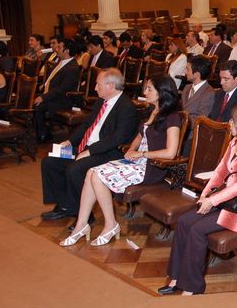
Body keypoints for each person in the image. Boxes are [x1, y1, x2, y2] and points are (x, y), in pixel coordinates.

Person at [159, 103, 237, 296]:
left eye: (233, 121)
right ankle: (176, 277)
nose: (229, 123)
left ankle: (192, 286)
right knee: (184, 221)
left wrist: (212, 201)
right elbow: (220, 172)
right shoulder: (235, 143)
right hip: (224, 200)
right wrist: (205, 195)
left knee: (197, 229)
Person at [59, 74, 181, 247]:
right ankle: (82, 224)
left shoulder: (172, 117)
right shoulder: (151, 110)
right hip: (138, 162)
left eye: (149, 89)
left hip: (152, 167)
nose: (145, 92)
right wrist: (132, 149)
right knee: (91, 172)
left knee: (97, 176)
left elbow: (171, 153)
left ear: (162, 92)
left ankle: (110, 224)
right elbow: (140, 135)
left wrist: (141, 154)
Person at [40, 69, 138, 224]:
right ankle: (65, 206)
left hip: (107, 152)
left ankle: (85, 215)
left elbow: (117, 138)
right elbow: (87, 125)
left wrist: (90, 151)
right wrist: (70, 141)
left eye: (98, 84)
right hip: (87, 147)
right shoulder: (101, 102)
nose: (95, 88)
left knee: (75, 169)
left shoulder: (126, 107)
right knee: (49, 162)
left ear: (110, 86)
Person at [34, 37, 80, 142]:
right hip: (53, 95)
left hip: (63, 100)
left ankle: (43, 134)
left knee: (38, 106)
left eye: (59, 47)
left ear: (67, 51)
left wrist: (44, 97)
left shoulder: (72, 67)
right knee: (31, 100)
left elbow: (62, 89)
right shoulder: (62, 61)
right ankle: (41, 131)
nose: (56, 49)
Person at [181, 56, 216, 155]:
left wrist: (181, 123)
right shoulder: (187, 88)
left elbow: (200, 119)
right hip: (181, 131)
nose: (185, 72)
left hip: (193, 136)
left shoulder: (208, 93)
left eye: (188, 69)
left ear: (197, 74)